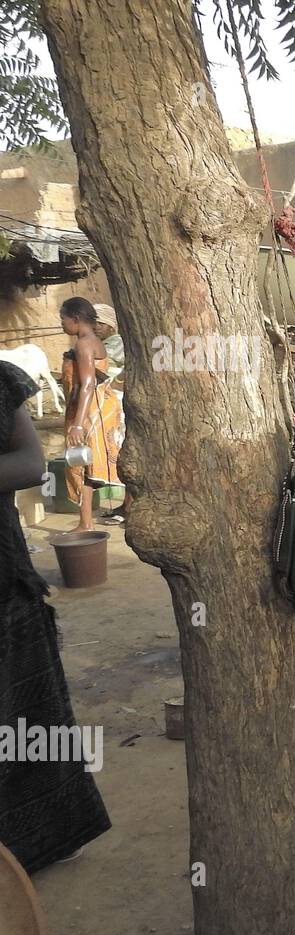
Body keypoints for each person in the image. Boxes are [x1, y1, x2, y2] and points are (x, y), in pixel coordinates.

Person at [0, 361, 112, 872]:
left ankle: (51, 836)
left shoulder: (1, 381)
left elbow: (28, 463)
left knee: (27, 714)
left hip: (4, 584)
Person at [59, 298, 124, 533]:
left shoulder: (85, 344)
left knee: (81, 463)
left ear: (75, 319)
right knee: (85, 465)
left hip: (91, 410)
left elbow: (87, 384)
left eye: (63, 319)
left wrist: (77, 425)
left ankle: (85, 523)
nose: (62, 325)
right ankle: (85, 522)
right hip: (95, 407)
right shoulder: (93, 341)